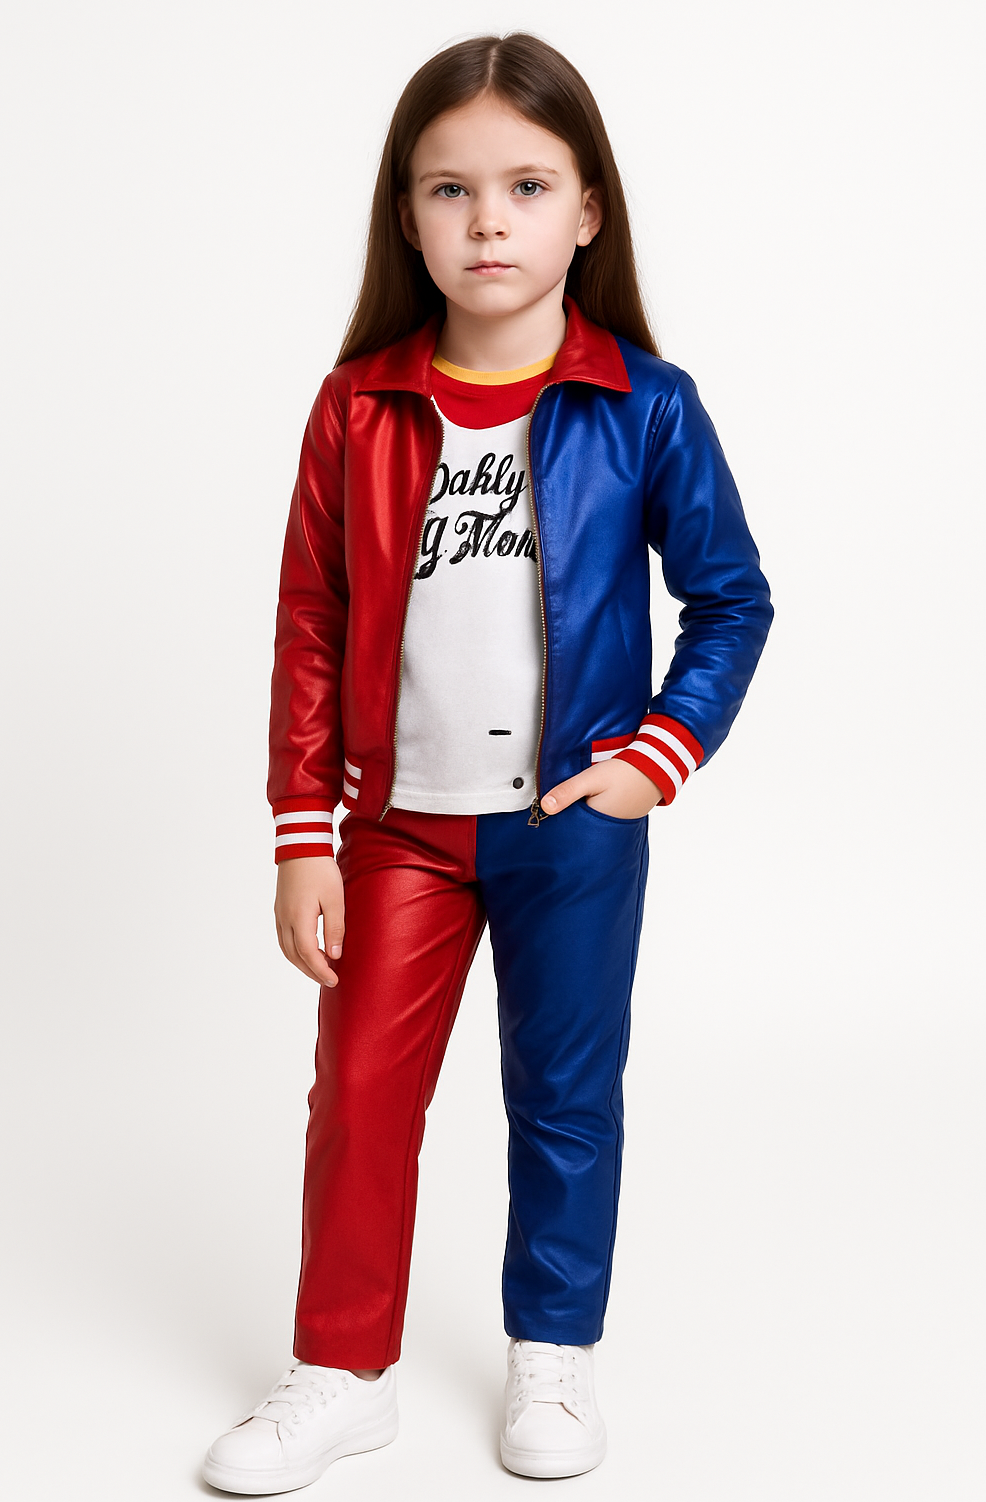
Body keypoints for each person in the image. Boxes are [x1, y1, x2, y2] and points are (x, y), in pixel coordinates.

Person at [203, 29, 772, 1494]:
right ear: (407, 216)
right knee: (360, 1098)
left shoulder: (645, 403)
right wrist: (303, 831)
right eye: (449, 189)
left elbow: (730, 598)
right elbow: (311, 625)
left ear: (588, 209)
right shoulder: (357, 406)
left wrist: (657, 755)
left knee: (566, 1098)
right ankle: (342, 1372)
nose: (488, 222)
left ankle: (553, 1353)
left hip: (574, 823)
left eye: (526, 186)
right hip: (398, 829)